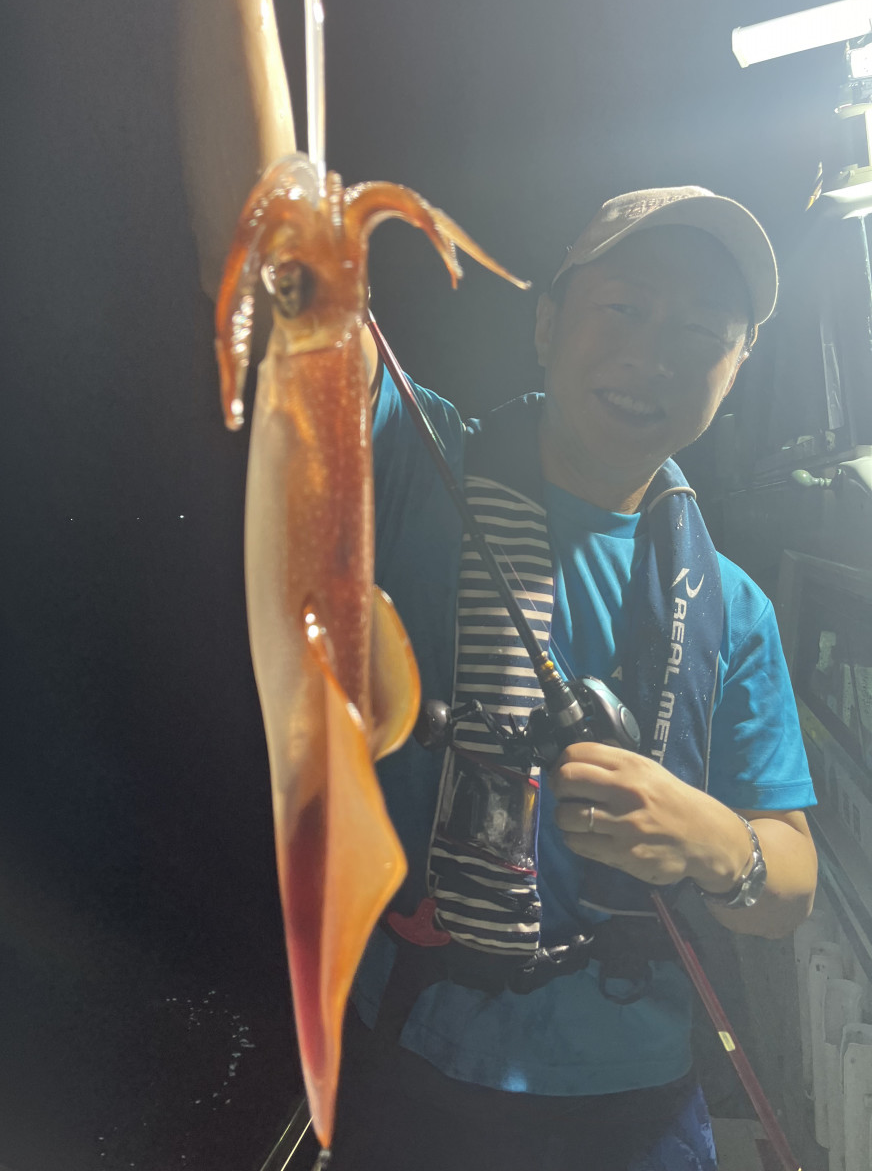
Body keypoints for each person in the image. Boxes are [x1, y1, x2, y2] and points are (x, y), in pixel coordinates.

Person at [324, 189, 818, 1171]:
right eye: (623, 308)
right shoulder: (416, 470)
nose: (654, 355)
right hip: (413, 1055)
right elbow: (272, 277)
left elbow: (790, 885)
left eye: (701, 333)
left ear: (736, 368)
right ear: (548, 324)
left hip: (638, 1096)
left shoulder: (736, 607)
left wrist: (714, 839)